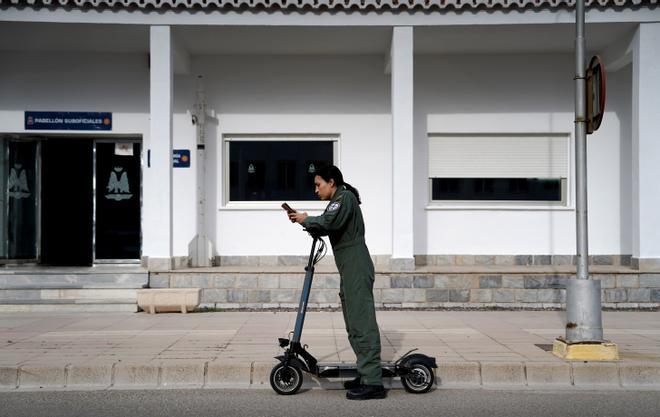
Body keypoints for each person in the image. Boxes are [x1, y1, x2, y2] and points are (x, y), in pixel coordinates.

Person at [288, 165, 386, 400]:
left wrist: (305, 219)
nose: (316, 190)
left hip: (356, 265)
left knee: (362, 323)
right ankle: (365, 373)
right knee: (353, 324)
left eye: (318, 184)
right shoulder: (341, 199)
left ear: (331, 182)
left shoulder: (344, 198)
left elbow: (327, 222)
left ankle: (373, 382)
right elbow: (326, 222)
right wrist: (308, 222)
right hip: (349, 266)